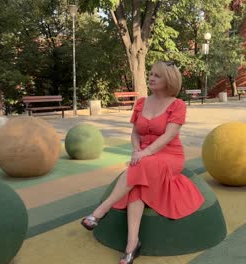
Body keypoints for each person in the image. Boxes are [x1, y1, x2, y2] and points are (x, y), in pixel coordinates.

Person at [81, 61, 205, 264]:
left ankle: (100, 211)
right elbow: (135, 133)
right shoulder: (141, 103)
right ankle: (132, 245)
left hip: (169, 155)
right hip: (144, 155)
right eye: (151, 73)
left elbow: (168, 136)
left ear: (169, 80)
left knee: (140, 166)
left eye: (157, 75)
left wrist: (145, 153)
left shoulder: (177, 105)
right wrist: (137, 149)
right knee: (137, 187)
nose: (151, 77)